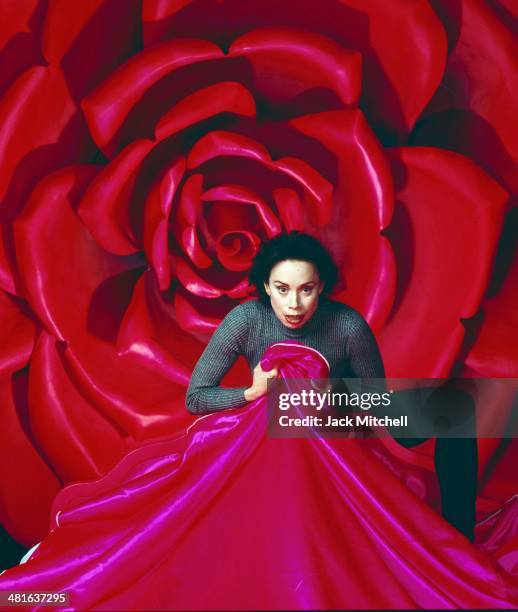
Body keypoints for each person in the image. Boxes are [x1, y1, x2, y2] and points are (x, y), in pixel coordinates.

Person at [186, 231, 478, 541]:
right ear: (266, 287)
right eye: (282, 290)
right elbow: (196, 397)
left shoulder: (347, 325)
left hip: (338, 430)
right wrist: (251, 392)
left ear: (321, 287)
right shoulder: (245, 320)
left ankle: (460, 537)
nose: (294, 304)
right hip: (272, 439)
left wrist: (337, 397)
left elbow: (375, 402)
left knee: (456, 407)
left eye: (306, 290)